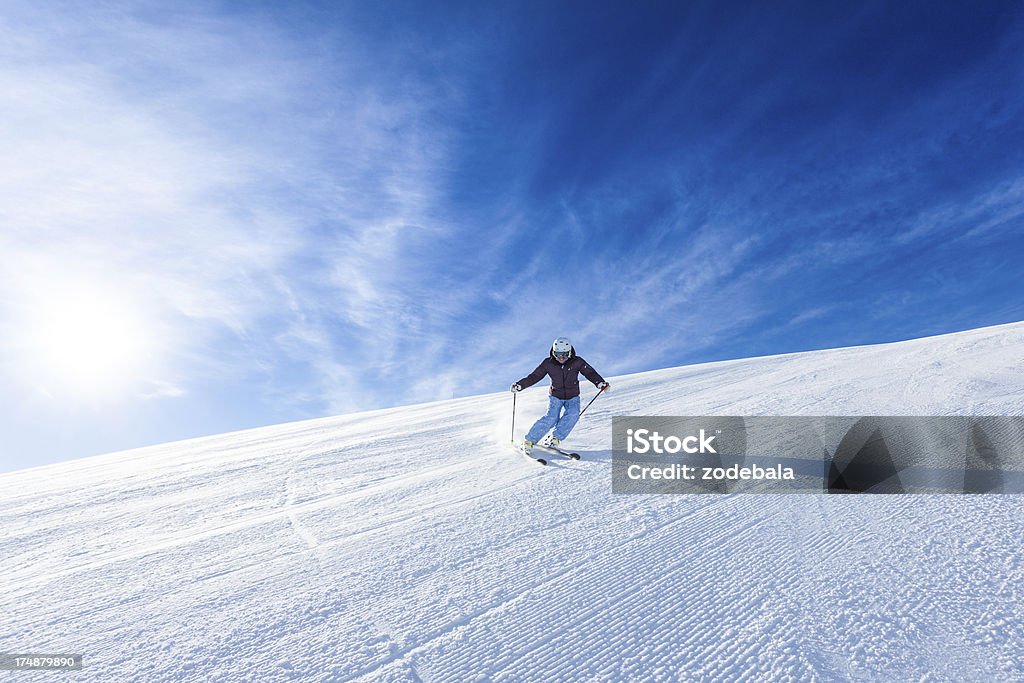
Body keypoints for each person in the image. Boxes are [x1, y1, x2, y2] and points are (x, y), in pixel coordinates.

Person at [511, 337, 609, 454]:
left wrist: (599, 382)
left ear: (570, 353)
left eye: (564, 355)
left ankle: (554, 439)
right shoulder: (548, 363)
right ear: (553, 353)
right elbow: (535, 376)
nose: (561, 358)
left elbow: (590, 373)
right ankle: (529, 441)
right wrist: (520, 385)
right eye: (558, 354)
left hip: (573, 396)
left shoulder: (577, 362)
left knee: (573, 415)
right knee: (551, 418)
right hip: (556, 396)